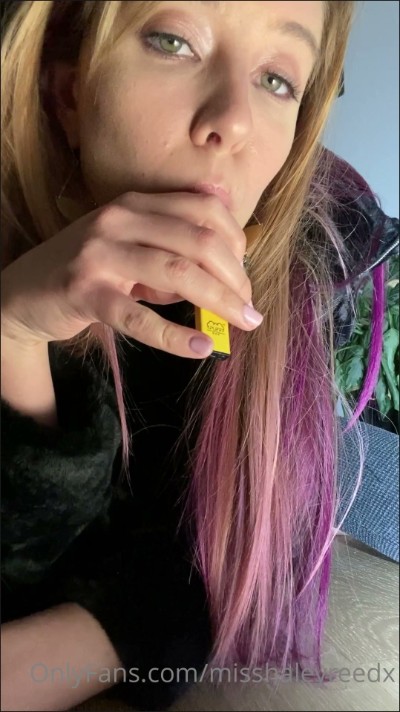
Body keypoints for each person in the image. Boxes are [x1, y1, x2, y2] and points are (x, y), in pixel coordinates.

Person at [1, 1, 398, 710]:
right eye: (173, 41)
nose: (234, 121)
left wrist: (69, 650)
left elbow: (232, 556)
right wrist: (12, 334)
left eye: (277, 80)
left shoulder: (289, 289)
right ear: (68, 93)